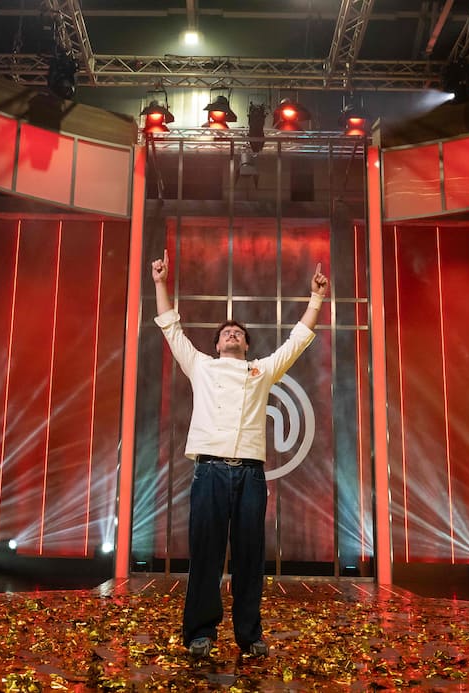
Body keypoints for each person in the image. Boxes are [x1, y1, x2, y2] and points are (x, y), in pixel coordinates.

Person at [151, 248, 328, 659]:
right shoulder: (200, 366)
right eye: (225, 332)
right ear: (216, 345)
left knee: (250, 558)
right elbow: (171, 327)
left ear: (247, 344)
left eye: (238, 332)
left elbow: (297, 341)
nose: (232, 334)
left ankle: (249, 635)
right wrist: (160, 282)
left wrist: (317, 297)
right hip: (209, 471)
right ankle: (201, 632)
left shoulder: (261, 370)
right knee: (206, 556)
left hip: (250, 474)